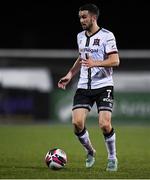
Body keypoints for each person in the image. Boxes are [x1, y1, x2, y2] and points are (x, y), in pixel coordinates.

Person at [58, 3, 120, 171]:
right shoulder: (80, 36)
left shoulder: (107, 36)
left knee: (104, 124)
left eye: (84, 17)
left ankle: (112, 157)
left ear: (94, 17)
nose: (81, 20)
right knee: (77, 122)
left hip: (103, 85)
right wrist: (70, 74)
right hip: (84, 85)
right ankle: (90, 151)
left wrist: (96, 63)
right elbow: (81, 58)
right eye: (80, 17)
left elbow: (115, 60)